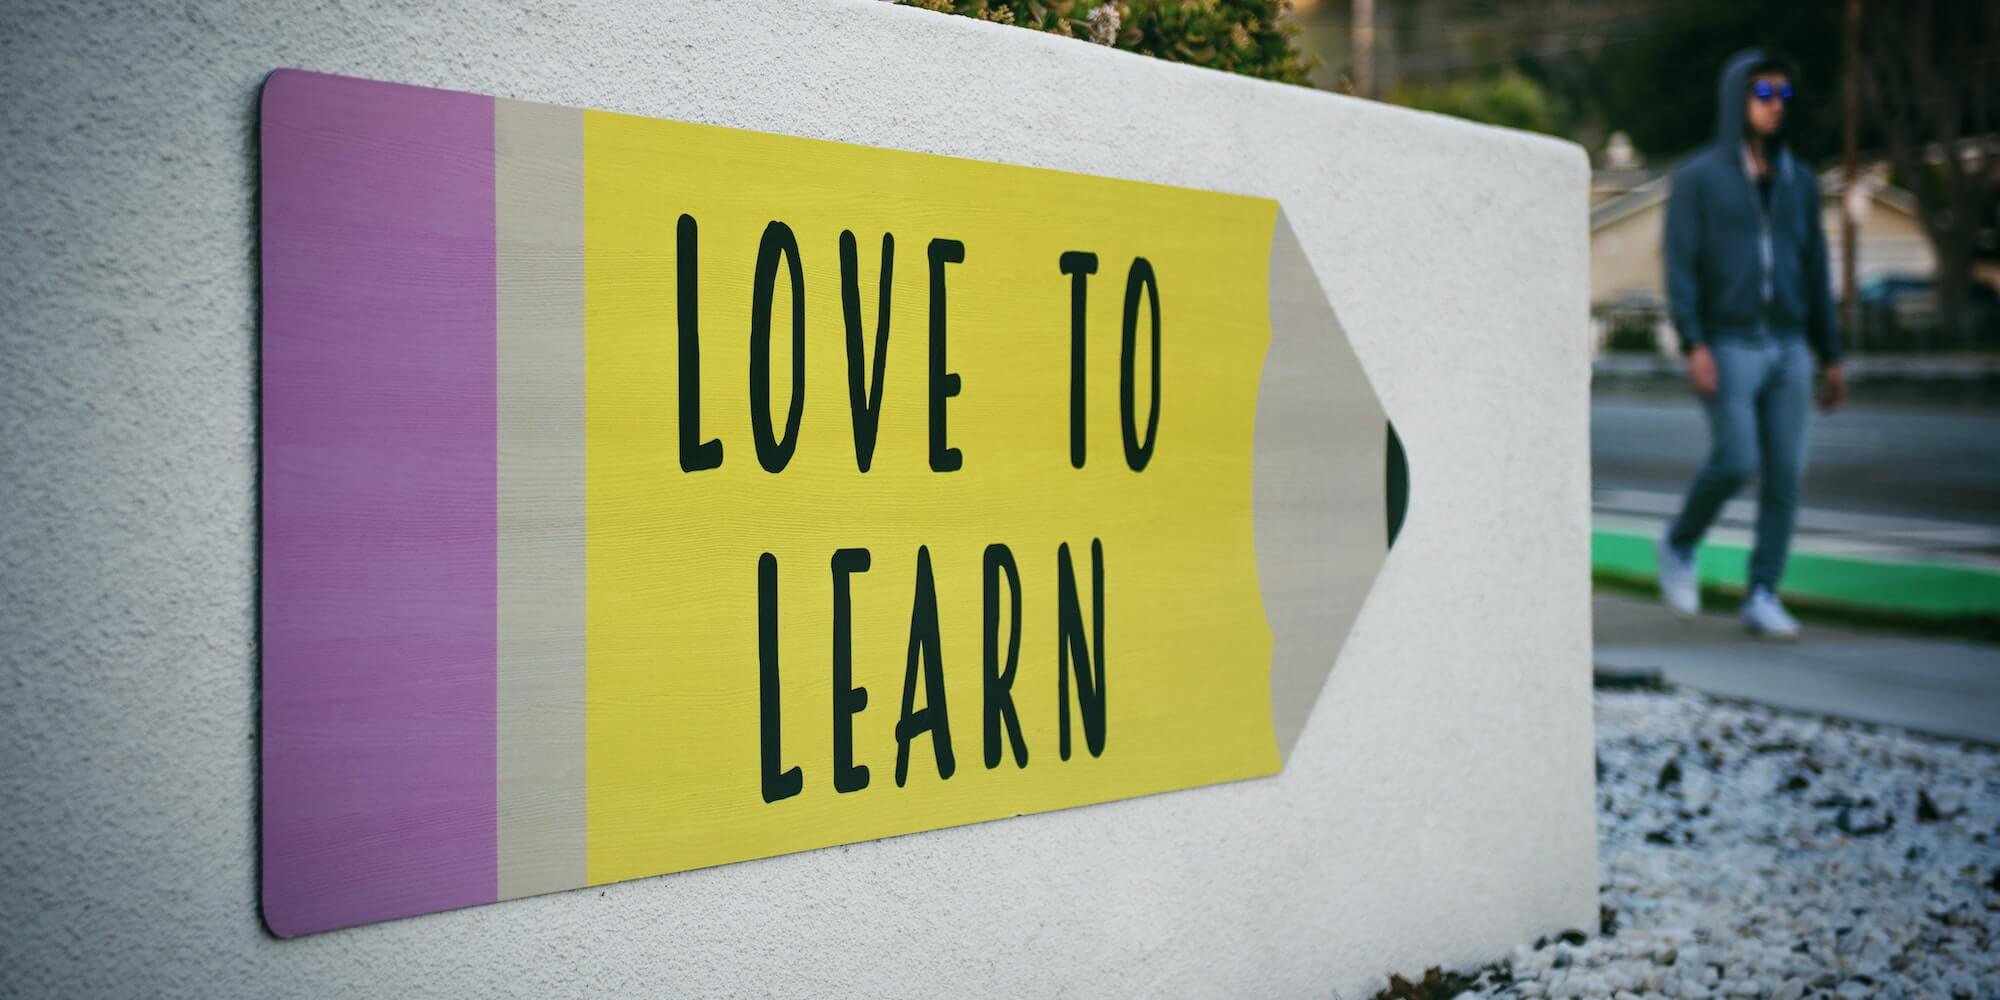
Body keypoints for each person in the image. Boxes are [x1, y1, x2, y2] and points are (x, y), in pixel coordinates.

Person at [1656, 48, 1848, 640]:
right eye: (1763, 94)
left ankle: (1762, 592)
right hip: (1728, 341)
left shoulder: (1799, 181)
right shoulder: (1698, 179)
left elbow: (1815, 269)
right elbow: (1680, 264)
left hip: (1789, 344)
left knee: (1785, 477)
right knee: (1738, 459)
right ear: (1737, 98)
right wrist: (1693, 341)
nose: (1774, 106)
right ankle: (1679, 543)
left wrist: (1830, 353)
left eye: (1783, 96)